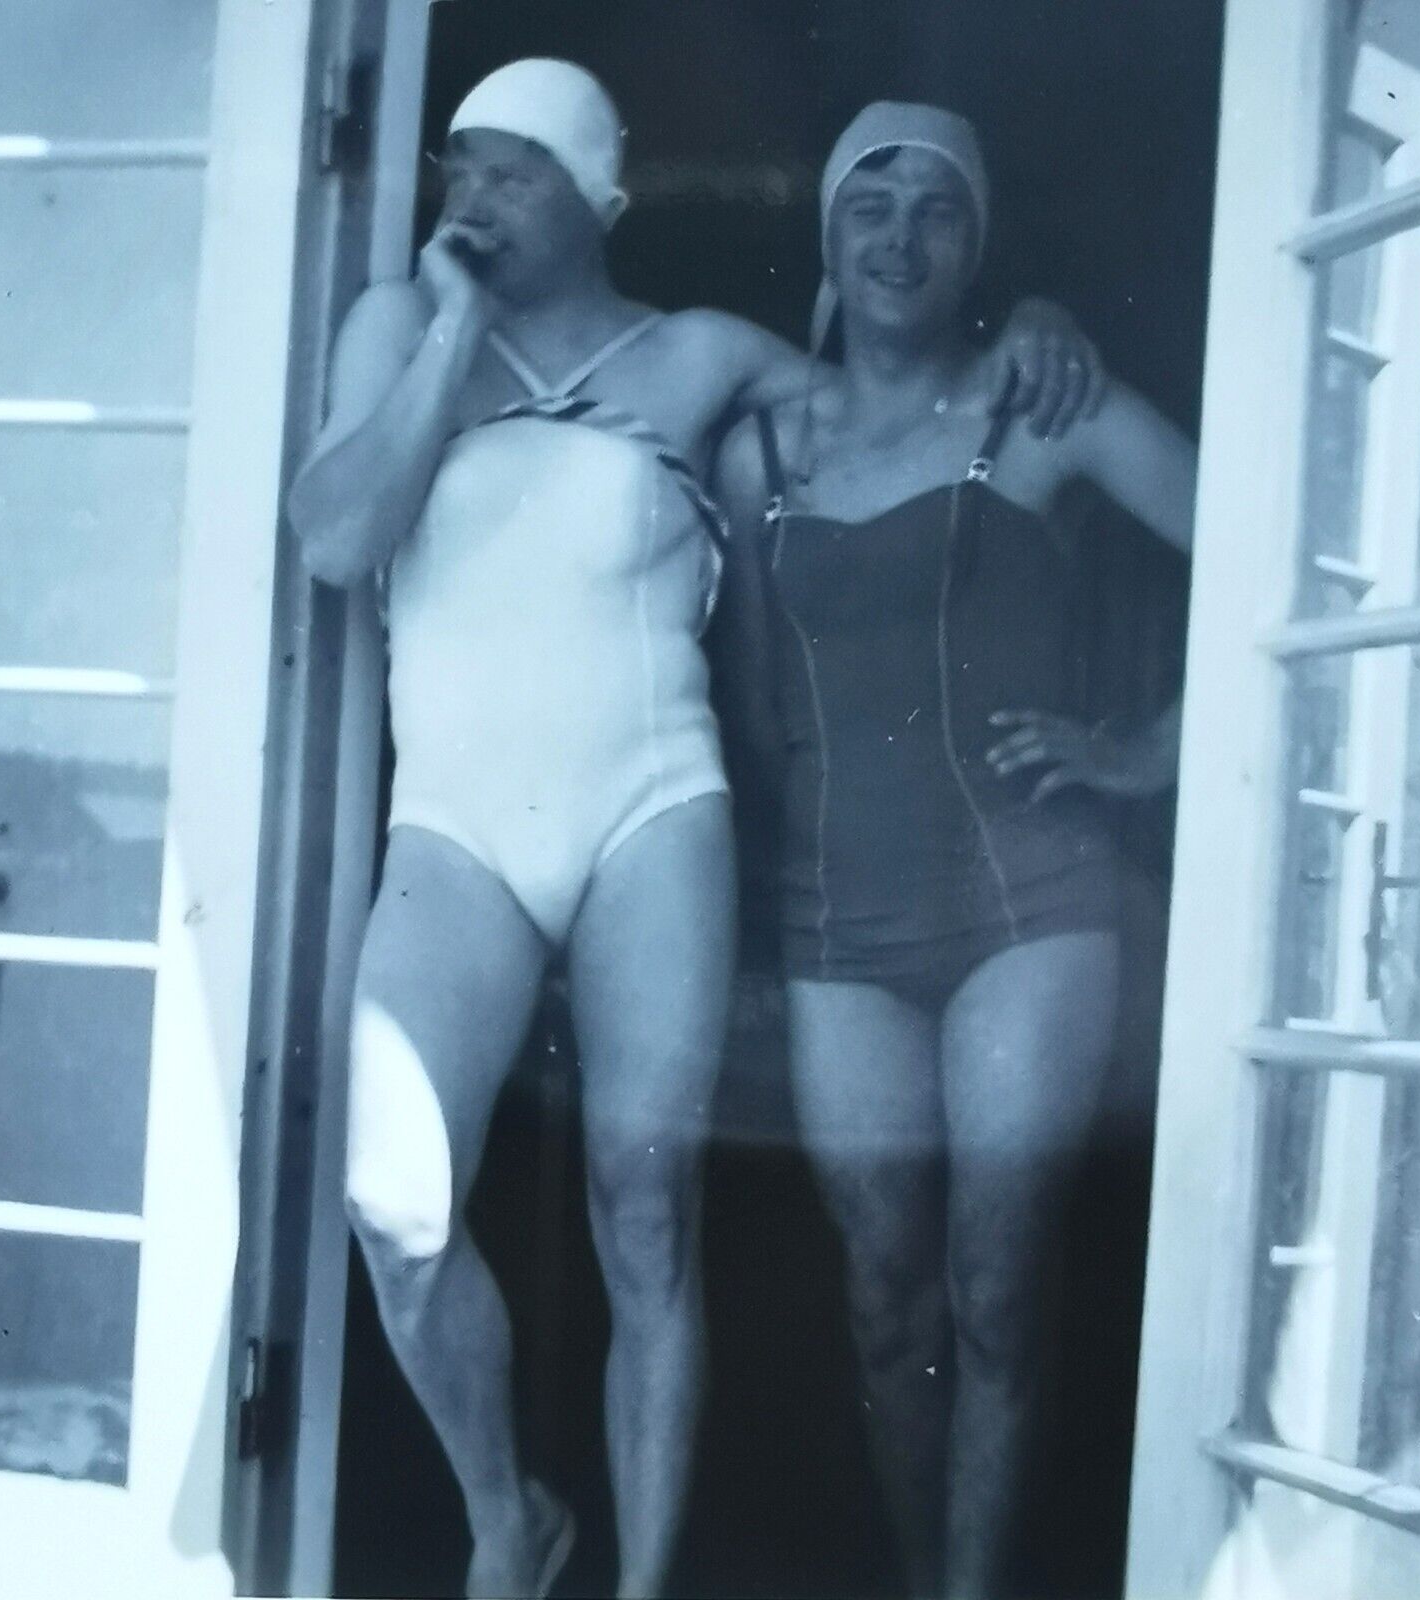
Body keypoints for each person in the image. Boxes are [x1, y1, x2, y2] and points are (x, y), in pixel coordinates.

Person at [287, 59, 1099, 1599]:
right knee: (394, 1201)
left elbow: (910, 400)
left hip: (652, 810)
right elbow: (336, 539)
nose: (474, 191)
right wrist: (456, 323)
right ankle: (507, 1517)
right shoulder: (399, 330)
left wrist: (1034, 325)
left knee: (642, 1211)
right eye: (459, 164)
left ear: (602, 195)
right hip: (459, 827)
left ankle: (645, 1582)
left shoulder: (705, 356)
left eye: (517, 169)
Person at [714, 102, 1196, 1600]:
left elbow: (1280, 538)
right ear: (830, 236)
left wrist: (1145, 750)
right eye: (872, 203)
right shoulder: (758, 451)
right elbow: (745, 713)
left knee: (992, 1280)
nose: (900, 237)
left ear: (977, 243)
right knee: (881, 1295)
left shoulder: (1038, 401)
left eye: (937, 210)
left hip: (1027, 905)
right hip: (834, 919)